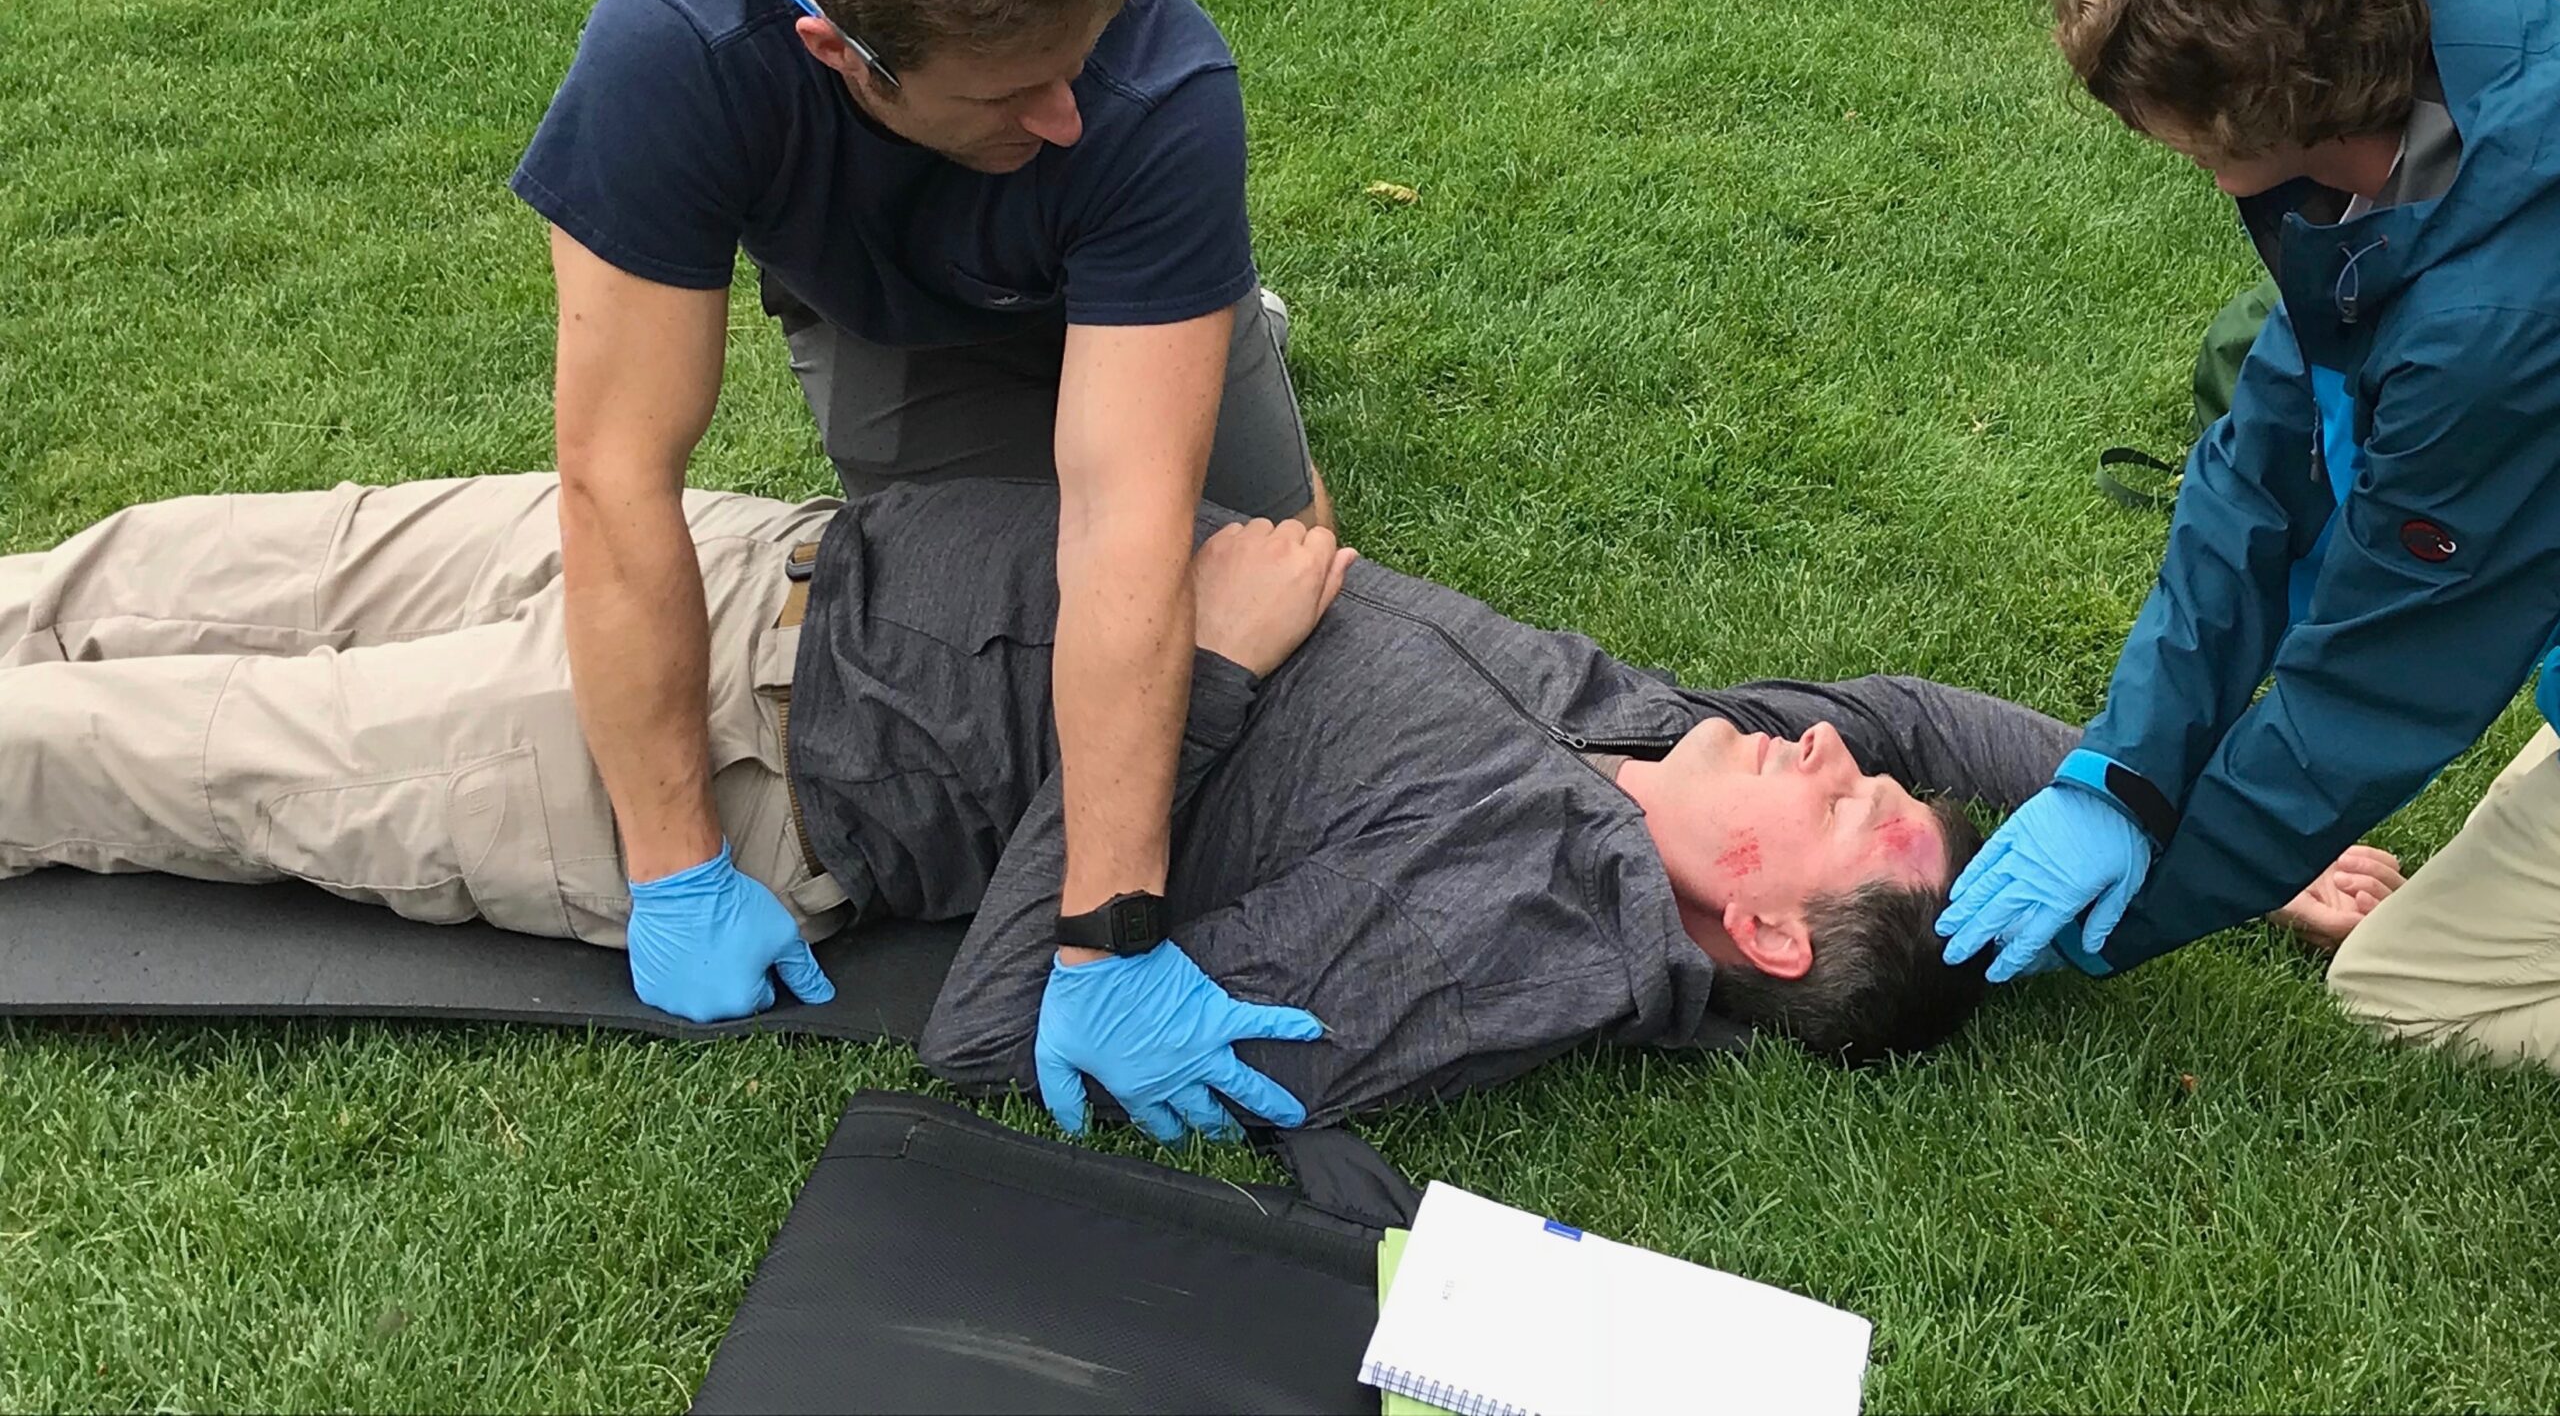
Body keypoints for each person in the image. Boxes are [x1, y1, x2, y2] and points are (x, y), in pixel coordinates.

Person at [1, 470, 2386, 1126]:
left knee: (103, 748)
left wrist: (1201, 668)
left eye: (1838, 813)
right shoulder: (1674, 736)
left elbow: (1009, 1022)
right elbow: (1935, 723)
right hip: (749, 554)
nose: (1832, 748)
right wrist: (2189, 827)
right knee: (150, 568)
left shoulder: (1521, 939)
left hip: (729, 764)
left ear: (1756, 935)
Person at [508, 0, 1331, 1132]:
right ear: (841, 49)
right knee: (969, 603)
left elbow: (1125, 529)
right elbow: (614, 473)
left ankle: (1214, 314)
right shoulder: (675, 49)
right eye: (1017, 92)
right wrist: (675, 864)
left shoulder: (1147, 80)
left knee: (1270, 562)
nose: (1061, 111)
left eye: (1074, 66)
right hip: (885, 307)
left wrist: (1108, 936)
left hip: (1118, 253)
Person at [1939, 0, 2560, 1065]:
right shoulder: (2432, 87)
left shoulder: (2490, 319)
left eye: (2151, 110)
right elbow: (2261, 468)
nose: (2140, 135)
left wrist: (2107, 931)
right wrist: (2118, 778)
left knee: (2402, 991)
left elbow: (2380, 680)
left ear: (2259, 104)